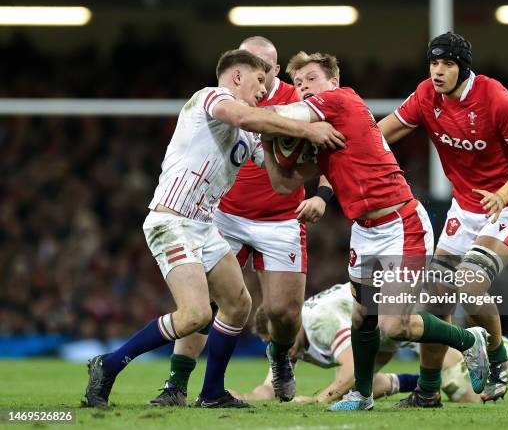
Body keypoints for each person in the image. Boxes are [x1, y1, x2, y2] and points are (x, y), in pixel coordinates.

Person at [82, 49, 344, 409]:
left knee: (238, 305)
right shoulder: (210, 98)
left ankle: (212, 393)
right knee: (196, 315)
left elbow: (282, 182)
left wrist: (331, 158)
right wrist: (306, 127)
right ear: (237, 77)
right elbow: (245, 115)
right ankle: (109, 365)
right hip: (171, 220)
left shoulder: (248, 135)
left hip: (204, 226)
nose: (262, 90)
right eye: (257, 82)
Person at [261, 51, 491, 411]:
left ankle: (468, 339)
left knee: (394, 327)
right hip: (366, 230)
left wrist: (254, 114)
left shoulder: (343, 98)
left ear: (332, 82)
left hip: (401, 223)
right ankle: (363, 395)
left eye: (311, 79)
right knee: (361, 317)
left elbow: (274, 116)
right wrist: (270, 145)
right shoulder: (318, 135)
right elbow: (283, 184)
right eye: (298, 83)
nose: (303, 87)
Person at [147, 36, 333, 407]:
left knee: (283, 312)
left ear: (275, 70)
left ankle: (280, 358)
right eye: (251, 66)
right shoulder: (231, 102)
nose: (259, 78)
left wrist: (322, 195)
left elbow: (329, 154)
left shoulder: (298, 103)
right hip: (224, 216)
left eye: (264, 68)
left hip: (281, 218)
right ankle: (177, 384)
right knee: (207, 306)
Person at [377, 32, 508, 406]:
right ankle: (427, 391)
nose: (438, 71)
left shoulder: (497, 99)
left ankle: (499, 358)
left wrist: (503, 194)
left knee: (469, 283)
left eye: (447, 64)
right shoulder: (426, 95)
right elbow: (381, 134)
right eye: (434, 63)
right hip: (464, 210)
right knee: (437, 302)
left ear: (463, 67)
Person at [237, 282, 508, 404]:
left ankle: (495, 346)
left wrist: (318, 400)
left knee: (453, 381)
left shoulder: (320, 322)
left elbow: (349, 371)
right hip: (378, 330)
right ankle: (490, 348)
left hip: (393, 308)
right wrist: (243, 397)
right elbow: (271, 387)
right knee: (366, 386)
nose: (281, 351)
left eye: (279, 343)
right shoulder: (287, 339)